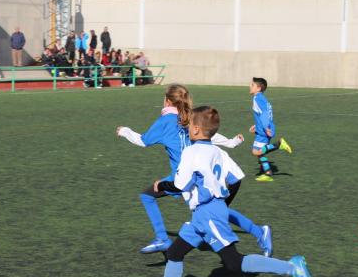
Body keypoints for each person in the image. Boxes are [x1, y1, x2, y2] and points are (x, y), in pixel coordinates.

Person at [153, 106, 313, 277]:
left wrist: (161, 184)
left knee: (234, 263)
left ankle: (292, 268)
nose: (187, 129)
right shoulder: (219, 152)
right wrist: (222, 204)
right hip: (205, 215)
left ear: (195, 129)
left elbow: (180, 185)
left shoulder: (191, 152)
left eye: (190, 126)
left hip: (207, 214)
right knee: (174, 253)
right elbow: (236, 179)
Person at [116, 84, 272, 256]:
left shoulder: (165, 121)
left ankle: (163, 238)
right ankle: (259, 231)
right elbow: (208, 133)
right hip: (194, 174)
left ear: (167, 101)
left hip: (184, 178)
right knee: (214, 210)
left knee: (153, 197)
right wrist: (230, 142)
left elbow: (143, 140)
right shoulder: (191, 115)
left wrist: (124, 131)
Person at [250, 78, 293, 182]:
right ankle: (268, 173)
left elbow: (264, 114)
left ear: (258, 88)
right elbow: (263, 113)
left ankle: (278, 144)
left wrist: (265, 127)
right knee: (260, 154)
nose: (250, 87)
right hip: (264, 128)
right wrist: (257, 125)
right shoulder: (262, 98)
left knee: (256, 152)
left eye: (252, 85)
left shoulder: (257, 98)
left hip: (264, 131)